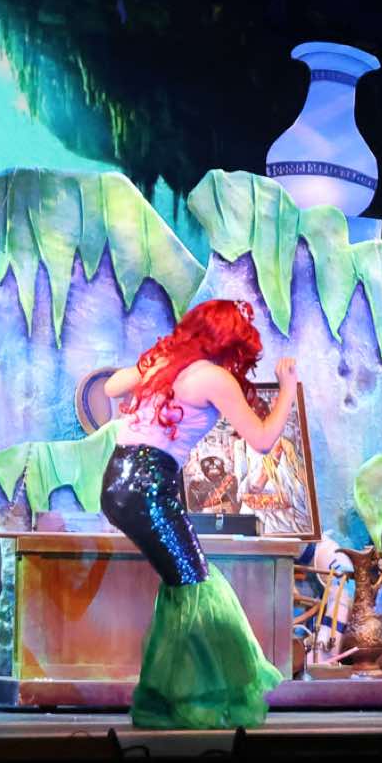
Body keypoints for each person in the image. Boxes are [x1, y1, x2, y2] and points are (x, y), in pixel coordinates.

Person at [101, 299, 297, 729]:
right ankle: (200, 696)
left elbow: (112, 386)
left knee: (185, 584)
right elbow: (263, 440)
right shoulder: (213, 377)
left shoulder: (167, 364)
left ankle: (177, 694)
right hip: (148, 488)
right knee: (198, 588)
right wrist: (288, 389)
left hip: (117, 482)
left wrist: (151, 367)